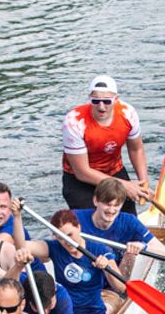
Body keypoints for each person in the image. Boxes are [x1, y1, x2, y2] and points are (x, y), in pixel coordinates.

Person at [14, 209, 129, 314]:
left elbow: (120, 287)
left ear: (78, 228)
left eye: (70, 235)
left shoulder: (98, 249)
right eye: (61, 237)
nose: (66, 241)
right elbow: (21, 245)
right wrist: (17, 217)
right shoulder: (54, 248)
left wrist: (106, 267)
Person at [61, 75, 150, 213]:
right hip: (81, 180)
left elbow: (136, 149)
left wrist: (143, 184)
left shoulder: (128, 114)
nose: (101, 107)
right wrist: (125, 186)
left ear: (116, 99)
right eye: (96, 101)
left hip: (114, 171)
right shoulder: (74, 121)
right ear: (90, 98)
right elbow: (82, 172)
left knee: (126, 221)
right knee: (94, 223)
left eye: (107, 101)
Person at [72, 176, 154, 272]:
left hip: (116, 277)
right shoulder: (74, 218)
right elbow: (55, 239)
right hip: (83, 272)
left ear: (122, 205)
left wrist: (144, 246)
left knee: (130, 254)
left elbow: (164, 252)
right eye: (107, 204)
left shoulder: (129, 221)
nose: (111, 210)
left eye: (116, 205)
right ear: (95, 201)